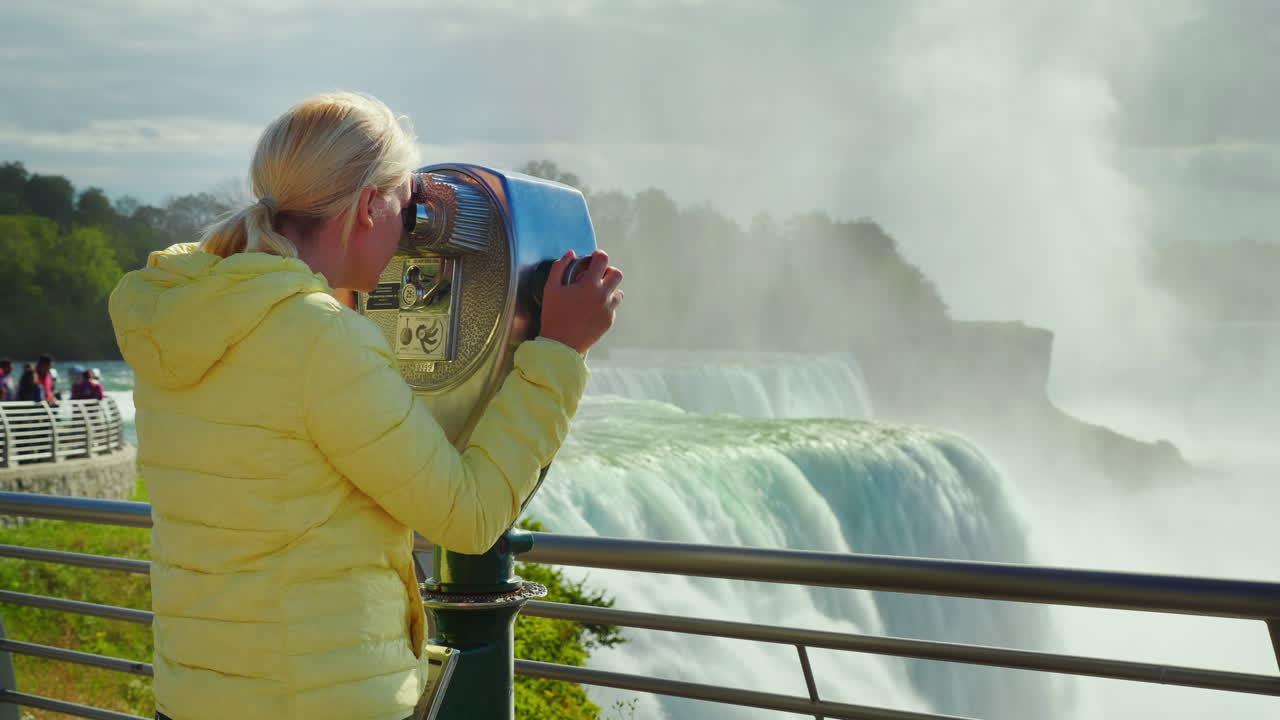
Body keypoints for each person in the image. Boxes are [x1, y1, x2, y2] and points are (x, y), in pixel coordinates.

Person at [108, 91, 623, 720]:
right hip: (320, 701)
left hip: (195, 693)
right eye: (408, 211)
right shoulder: (323, 341)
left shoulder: (188, 314)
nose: (409, 239)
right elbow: (469, 517)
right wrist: (560, 350)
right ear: (369, 206)